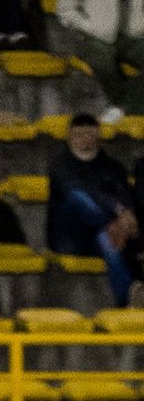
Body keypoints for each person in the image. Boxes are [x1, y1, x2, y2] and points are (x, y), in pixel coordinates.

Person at [47, 112, 141, 308]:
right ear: (69, 136)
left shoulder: (113, 167)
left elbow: (125, 197)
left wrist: (125, 212)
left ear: (98, 135)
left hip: (104, 235)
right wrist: (117, 212)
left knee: (108, 240)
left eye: (88, 134)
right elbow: (79, 190)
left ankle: (126, 301)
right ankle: (112, 226)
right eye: (78, 134)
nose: (83, 139)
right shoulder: (60, 165)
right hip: (70, 235)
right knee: (77, 197)